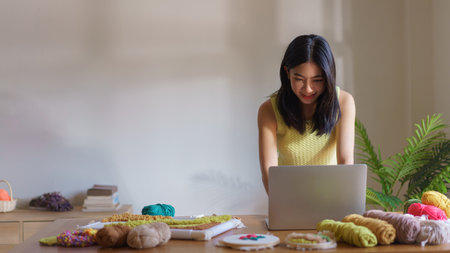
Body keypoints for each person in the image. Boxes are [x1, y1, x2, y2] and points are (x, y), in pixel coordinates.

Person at [257, 34, 355, 194]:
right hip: (287, 198)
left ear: (328, 77)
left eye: (317, 80)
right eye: (299, 79)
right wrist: (282, 205)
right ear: (287, 72)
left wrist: (342, 204)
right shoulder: (268, 111)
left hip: (332, 198)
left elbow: (345, 161)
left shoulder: (343, 102)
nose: (308, 89)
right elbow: (269, 172)